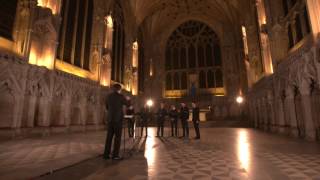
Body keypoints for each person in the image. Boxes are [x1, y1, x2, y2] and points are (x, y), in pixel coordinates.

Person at [104, 84, 129, 160]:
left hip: (110, 119)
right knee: (117, 138)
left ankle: (106, 155)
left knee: (109, 138)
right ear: (119, 89)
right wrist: (127, 99)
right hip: (118, 120)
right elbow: (128, 104)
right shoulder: (120, 96)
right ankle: (115, 155)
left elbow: (107, 107)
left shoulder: (108, 96)